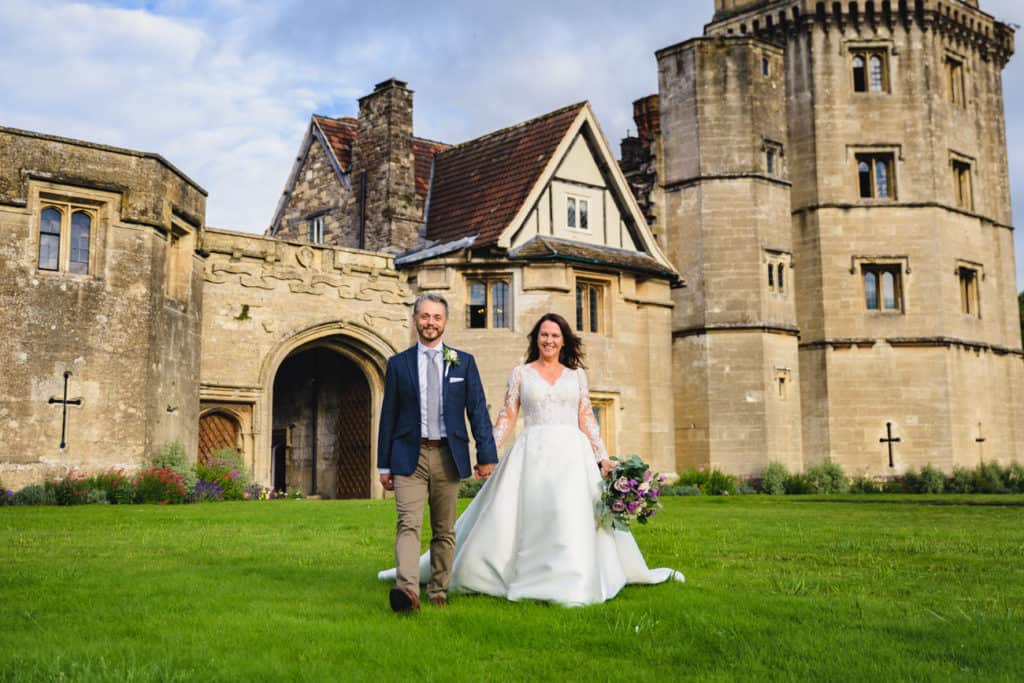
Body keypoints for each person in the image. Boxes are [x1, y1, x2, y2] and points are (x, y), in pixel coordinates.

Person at [379, 312, 683, 606]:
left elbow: (586, 416)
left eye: (554, 335)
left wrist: (602, 456)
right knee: (531, 514)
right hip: (533, 453)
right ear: (536, 339)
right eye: (544, 335)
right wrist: (487, 453)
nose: (549, 340)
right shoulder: (521, 373)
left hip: (572, 455)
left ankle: (575, 578)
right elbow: (507, 416)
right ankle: (507, 575)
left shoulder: (577, 376)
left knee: (571, 514)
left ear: (564, 341)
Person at [377, 293, 498, 613]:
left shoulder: (464, 362)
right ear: (415, 319)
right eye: (425, 316)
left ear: (445, 322)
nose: (430, 322)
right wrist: (384, 465)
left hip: (448, 454)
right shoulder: (398, 364)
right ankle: (406, 591)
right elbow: (388, 415)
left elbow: (477, 412)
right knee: (408, 523)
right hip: (408, 457)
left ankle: (438, 589)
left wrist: (486, 455)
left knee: (444, 529)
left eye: (437, 317)